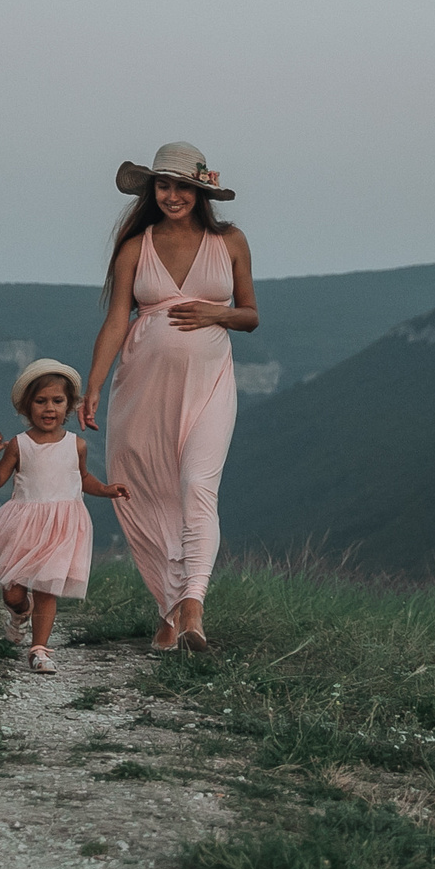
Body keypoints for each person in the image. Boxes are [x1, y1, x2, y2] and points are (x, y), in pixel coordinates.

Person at [82, 142, 259, 653]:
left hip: (209, 386)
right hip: (142, 388)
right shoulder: (136, 247)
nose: (173, 195)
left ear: (200, 191)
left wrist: (215, 314)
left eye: (183, 186)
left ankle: (194, 608)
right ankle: (169, 609)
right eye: (164, 185)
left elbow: (250, 314)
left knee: (196, 485)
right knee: (150, 493)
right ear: (151, 189)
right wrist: (92, 384)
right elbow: (117, 319)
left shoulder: (229, 241)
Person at [0, 358, 130, 674]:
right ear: (26, 406)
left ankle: (39, 650)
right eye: (41, 401)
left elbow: (82, 478)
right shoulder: (19, 445)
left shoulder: (76, 444)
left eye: (57, 401)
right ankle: (19, 613)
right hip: (23, 526)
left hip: (62, 524)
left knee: (48, 588)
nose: (49, 408)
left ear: (70, 405)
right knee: (14, 593)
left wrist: (105, 489)